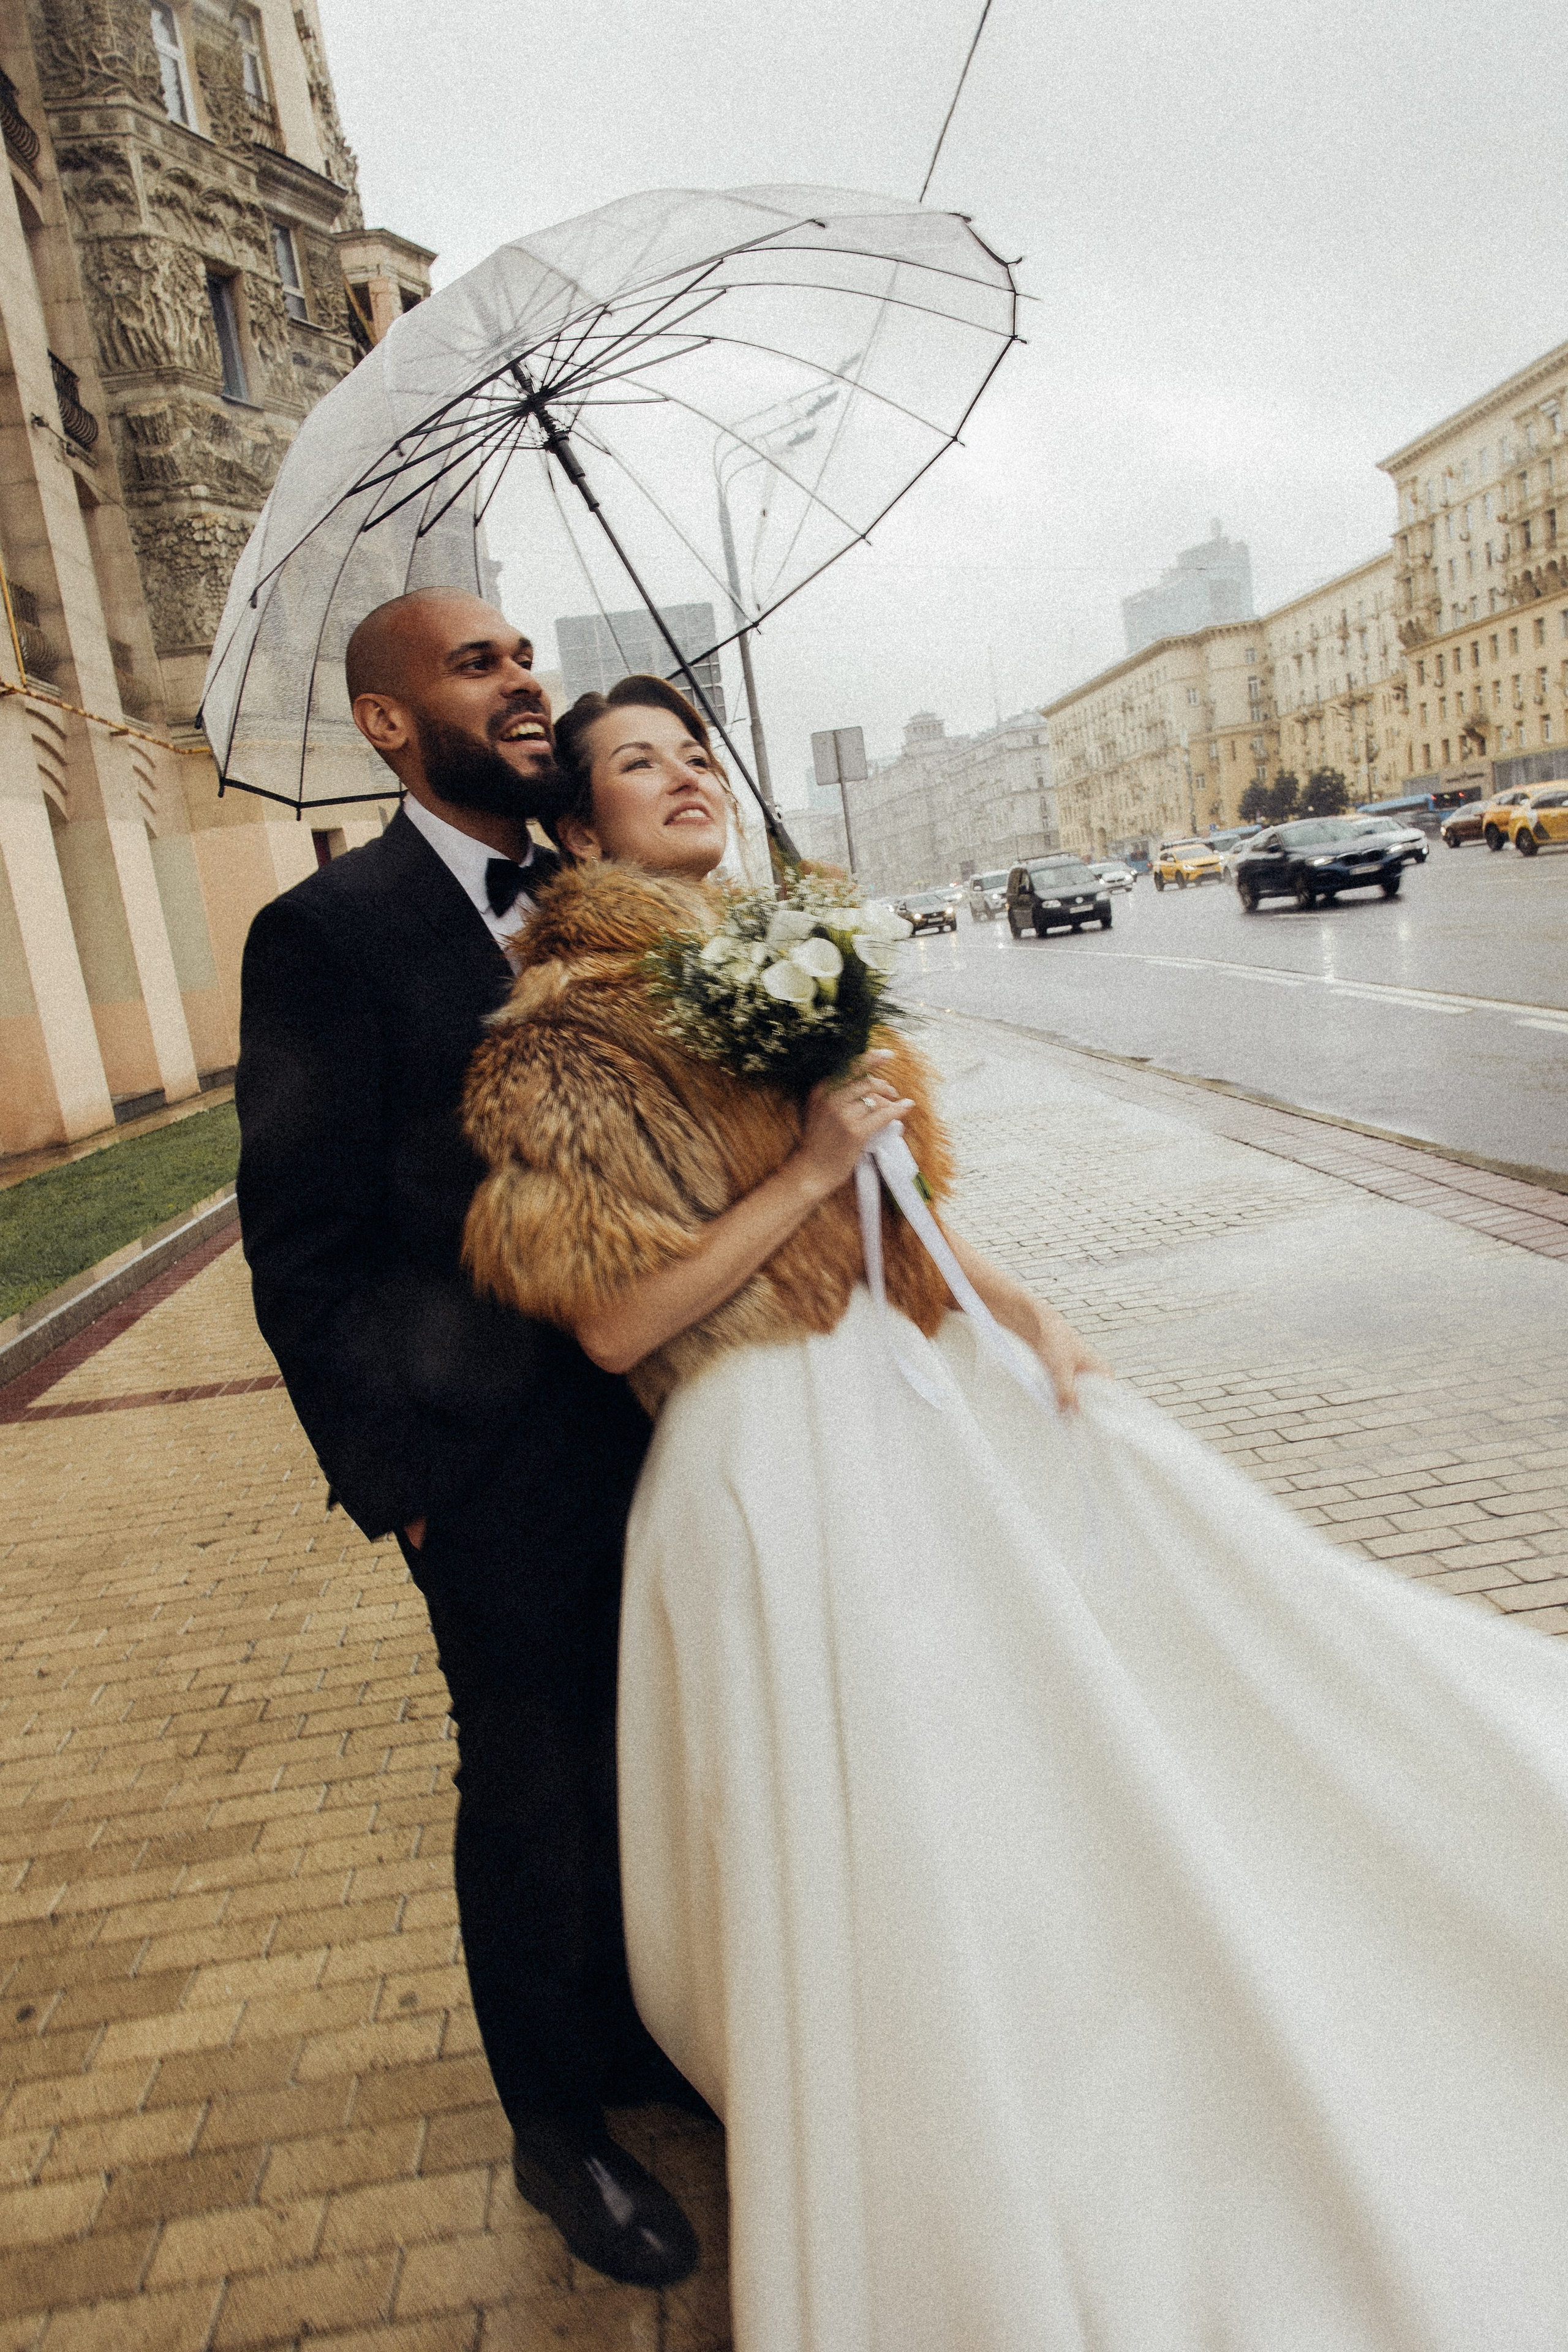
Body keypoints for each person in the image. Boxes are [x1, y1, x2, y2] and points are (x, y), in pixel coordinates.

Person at [461, 672, 1568, 2352]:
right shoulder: (560, 1038)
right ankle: (937, 2111)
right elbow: (618, 1321)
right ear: (577, 817)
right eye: (638, 763)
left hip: (916, 1404)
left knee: (1039, 1746)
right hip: (763, 1460)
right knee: (878, 1804)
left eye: (697, 752)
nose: (685, 777)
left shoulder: (789, 960)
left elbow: (898, 1204)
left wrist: (1019, 1306)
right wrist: (810, 1174)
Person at [234, 592, 700, 2290]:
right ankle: (557, 2125)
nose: (525, 683)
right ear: (386, 722)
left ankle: (642, 2040)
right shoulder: (327, 936)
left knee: (646, 1748)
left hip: (674, 1415)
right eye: (480, 665)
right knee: (526, 1781)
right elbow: (302, 1250)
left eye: (527, 659)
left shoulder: (601, 900)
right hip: (489, 1458)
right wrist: (407, 1485)